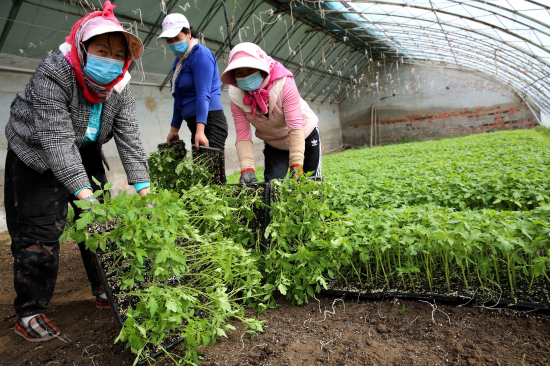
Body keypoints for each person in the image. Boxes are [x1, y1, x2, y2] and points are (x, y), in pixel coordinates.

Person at [5, 1, 150, 342]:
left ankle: (104, 287)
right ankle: (30, 310)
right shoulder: (54, 72)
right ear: (82, 49)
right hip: (37, 151)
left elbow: (129, 134)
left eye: (118, 54)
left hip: (84, 148)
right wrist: (83, 194)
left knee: (102, 219)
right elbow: (55, 140)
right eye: (101, 50)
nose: (110, 59)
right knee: (39, 230)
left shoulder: (120, 85)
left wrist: (145, 189)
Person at [220, 42, 322, 185]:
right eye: (239, 73)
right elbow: (243, 133)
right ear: (233, 76)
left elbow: (295, 126)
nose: (245, 76)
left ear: (261, 69)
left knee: (309, 184)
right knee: (273, 187)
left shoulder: (284, 83)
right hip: (274, 143)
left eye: (250, 70)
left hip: (304, 134)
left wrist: (297, 164)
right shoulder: (237, 97)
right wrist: (247, 168)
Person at [158, 13, 228, 150]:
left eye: (177, 38)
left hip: (210, 122)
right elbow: (179, 97)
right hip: (196, 124)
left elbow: (203, 94)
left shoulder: (201, 55)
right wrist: (174, 129)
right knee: (201, 169)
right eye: (169, 40)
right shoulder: (180, 60)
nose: (173, 43)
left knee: (210, 170)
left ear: (188, 33)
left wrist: (200, 131)